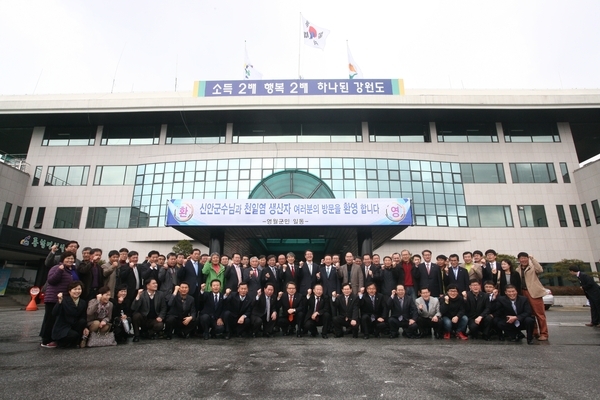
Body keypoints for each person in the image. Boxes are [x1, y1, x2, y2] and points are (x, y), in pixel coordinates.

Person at [40, 251, 79, 348]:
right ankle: (46, 340)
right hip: (53, 298)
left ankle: (55, 339)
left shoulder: (72, 270)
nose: (70, 260)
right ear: (63, 259)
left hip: (64, 299)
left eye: (72, 258)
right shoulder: (56, 268)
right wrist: (59, 270)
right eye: (68, 258)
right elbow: (51, 281)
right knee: (50, 319)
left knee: (59, 320)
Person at [514, 252, 548, 341]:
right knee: (530, 314)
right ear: (519, 260)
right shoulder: (518, 269)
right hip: (523, 293)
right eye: (521, 258)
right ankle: (534, 332)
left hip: (534, 292)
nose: (523, 260)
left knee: (539, 314)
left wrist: (533, 259)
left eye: (525, 258)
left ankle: (544, 333)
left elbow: (540, 270)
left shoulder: (533, 267)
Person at [51, 281, 88, 348]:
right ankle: (61, 343)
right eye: (75, 289)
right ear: (69, 291)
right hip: (63, 326)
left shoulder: (83, 302)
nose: (77, 291)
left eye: (79, 289)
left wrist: (86, 327)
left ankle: (76, 342)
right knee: (74, 335)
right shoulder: (64, 300)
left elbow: (83, 316)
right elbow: (54, 313)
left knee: (82, 321)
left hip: (74, 325)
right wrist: (59, 302)